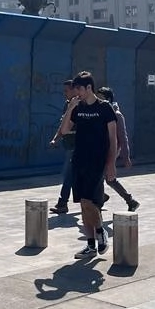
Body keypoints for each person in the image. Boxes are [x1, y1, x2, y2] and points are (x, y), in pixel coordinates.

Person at [56, 71, 116, 259]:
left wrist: (111, 164)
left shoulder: (104, 108)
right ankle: (91, 245)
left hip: (97, 161)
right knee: (83, 203)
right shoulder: (77, 107)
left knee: (89, 201)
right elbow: (65, 130)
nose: (77, 94)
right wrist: (70, 108)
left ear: (89, 88)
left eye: (79, 90)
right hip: (78, 160)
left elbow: (113, 138)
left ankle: (100, 231)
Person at [96, 87, 140, 212]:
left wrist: (126, 157)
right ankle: (129, 200)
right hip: (99, 150)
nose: (98, 100)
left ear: (108, 99)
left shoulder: (117, 115)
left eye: (101, 98)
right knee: (108, 179)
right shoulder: (99, 113)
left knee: (101, 177)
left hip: (111, 151)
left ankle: (99, 201)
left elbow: (123, 137)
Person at [47, 80, 77, 215]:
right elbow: (63, 124)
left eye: (66, 90)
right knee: (75, 175)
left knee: (68, 175)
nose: (64, 93)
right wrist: (56, 138)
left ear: (74, 90)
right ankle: (99, 195)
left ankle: (62, 203)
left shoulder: (79, 106)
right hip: (69, 144)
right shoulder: (67, 105)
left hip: (77, 146)